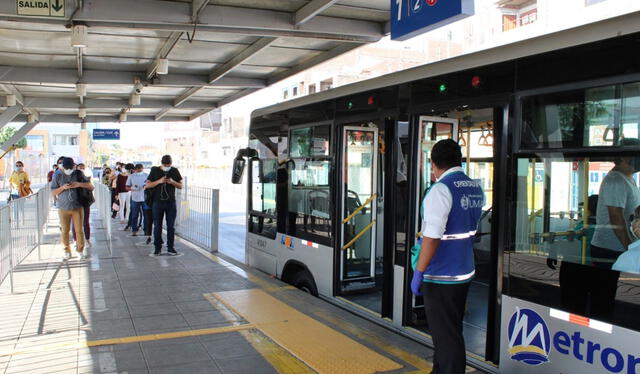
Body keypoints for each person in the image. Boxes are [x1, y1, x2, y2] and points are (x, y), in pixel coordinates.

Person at [410, 139, 484, 374]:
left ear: (434, 164)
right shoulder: (473, 186)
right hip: (464, 271)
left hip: (441, 275)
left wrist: (419, 273)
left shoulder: (441, 189)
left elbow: (431, 238)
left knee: (447, 336)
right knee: (449, 329)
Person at [588, 138, 640, 319]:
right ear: (627, 157)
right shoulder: (615, 181)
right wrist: (628, 248)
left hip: (622, 248)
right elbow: (615, 217)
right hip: (610, 249)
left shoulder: (629, 179)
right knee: (608, 296)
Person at [51, 157, 94, 260]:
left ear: (74, 166)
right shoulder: (57, 175)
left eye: (71, 168)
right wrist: (63, 187)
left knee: (79, 230)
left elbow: (91, 187)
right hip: (63, 208)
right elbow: (53, 192)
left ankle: (80, 250)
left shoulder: (78, 173)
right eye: (66, 168)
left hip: (77, 207)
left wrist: (78, 184)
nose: (69, 170)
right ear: (62, 167)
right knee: (65, 230)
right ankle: (66, 251)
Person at [146, 155, 183, 256]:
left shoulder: (174, 171)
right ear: (161, 163)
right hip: (157, 202)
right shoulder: (154, 170)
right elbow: (147, 185)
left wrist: (172, 182)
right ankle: (157, 248)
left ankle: (170, 248)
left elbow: (180, 186)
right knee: (157, 226)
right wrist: (159, 181)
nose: (167, 166)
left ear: (171, 163)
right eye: (165, 165)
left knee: (171, 226)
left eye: (169, 165)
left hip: (171, 202)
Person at [71, 163, 93, 249]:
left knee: (83, 222)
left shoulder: (85, 179)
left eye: (83, 168)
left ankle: (85, 239)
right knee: (77, 223)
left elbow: (91, 187)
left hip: (83, 203)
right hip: (77, 204)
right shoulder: (70, 180)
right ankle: (77, 240)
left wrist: (79, 184)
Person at [126, 163, 148, 236]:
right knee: (134, 215)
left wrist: (146, 186)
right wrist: (132, 188)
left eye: (140, 170)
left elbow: (150, 185)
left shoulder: (146, 175)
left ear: (143, 169)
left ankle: (146, 230)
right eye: (138, 170)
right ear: (135, 170)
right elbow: (126, 187)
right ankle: (134, 230)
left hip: (145, 198)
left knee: (146, 215)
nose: (139, 171)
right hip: (135, 198)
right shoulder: (131, 176)